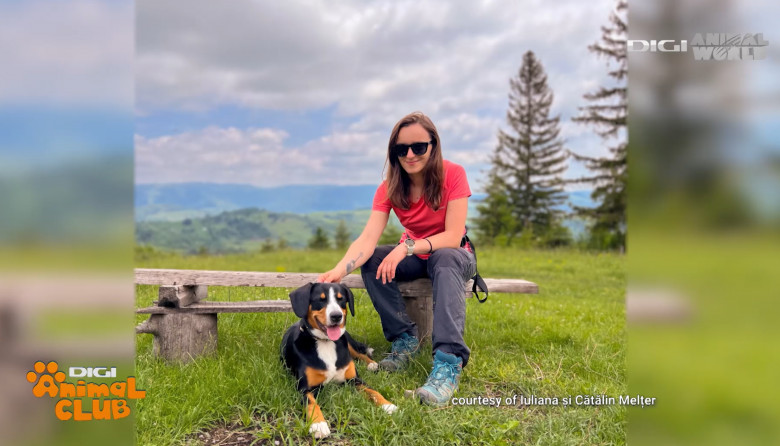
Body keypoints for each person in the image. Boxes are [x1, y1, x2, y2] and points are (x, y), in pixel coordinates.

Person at [318, 111, 476, 406]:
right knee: (375, 259)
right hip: (418, 254)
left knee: (444, 257)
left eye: (419, 147)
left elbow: (453, 236)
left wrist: (406, 247)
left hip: (455, 256)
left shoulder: (453, 174)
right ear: (393, 152)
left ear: (433, 145)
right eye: (401, 149)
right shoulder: (390, 186)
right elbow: (367, 239)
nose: (410, 154)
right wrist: (340, 268)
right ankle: (405, 339)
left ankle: (447, 363)